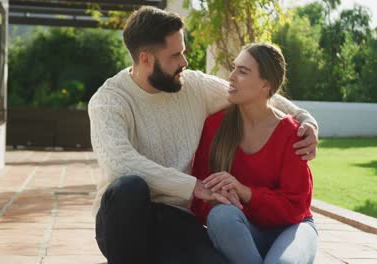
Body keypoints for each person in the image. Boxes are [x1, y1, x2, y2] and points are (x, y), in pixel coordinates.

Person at [88, 6, 319, 264]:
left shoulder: (193, 86)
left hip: (176, 221)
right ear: (145, 59)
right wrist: (193, 186)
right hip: (125, 219)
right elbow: (120, 163)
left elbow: (257, 95)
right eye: (176, 55)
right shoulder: (109, 101)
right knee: (128, 187)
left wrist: (304, 118)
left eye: (183, 52)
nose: (184, 63)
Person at [190, 43, 318, 264]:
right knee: (222, 215)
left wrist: (244, 192)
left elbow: (296, 208)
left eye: (243, 71)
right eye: (234, 68)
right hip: (242, 230)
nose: (231, 77)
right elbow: (199, 197)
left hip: (292, 227)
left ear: (265, 84)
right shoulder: (214, 126)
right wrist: (217, 199)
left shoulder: (292, 133)